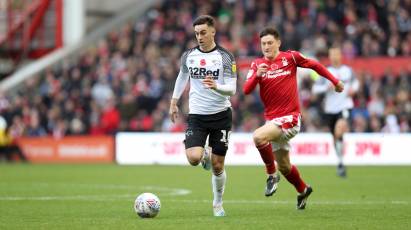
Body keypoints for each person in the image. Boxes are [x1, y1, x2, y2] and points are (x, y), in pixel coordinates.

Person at [243, 27, 344, 209]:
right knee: (285, 166)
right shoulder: (256, 64)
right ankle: (303, 189)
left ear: (278, 43)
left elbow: (315, 65)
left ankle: (271, 175)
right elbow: (246, 90)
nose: (266, 46)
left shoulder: (291, 57)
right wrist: (257, 76)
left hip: (290, 118)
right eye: (263, 43)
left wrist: (335, 81)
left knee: (258, 137)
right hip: (272, 121)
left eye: (270, 43)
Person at [169, 15, 237, 217]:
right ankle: (204, 154)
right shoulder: (188, 56)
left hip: (221, 115)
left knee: (217, 166)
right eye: (197, 33)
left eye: (203, 32)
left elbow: (232, 89)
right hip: (197, 115)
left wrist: (217, 87)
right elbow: (182, 76)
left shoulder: (226, 57)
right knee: (193, 158)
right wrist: (174, 101)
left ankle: (217, 203)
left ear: (213, 32)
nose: (199, 36)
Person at [312, 45, 359, 177]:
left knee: (339, 129)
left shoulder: (347, 71)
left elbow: (355, 83)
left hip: (344, 106)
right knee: (335, 137)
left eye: (336, 54)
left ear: (340, 56)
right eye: (332, 55)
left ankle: (340, 159)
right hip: (330, 109)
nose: (334, 57)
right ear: (329, 57)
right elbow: (315, 89)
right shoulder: (325, 72)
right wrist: (326, 88)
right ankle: (340, 162)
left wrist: (353, 90)